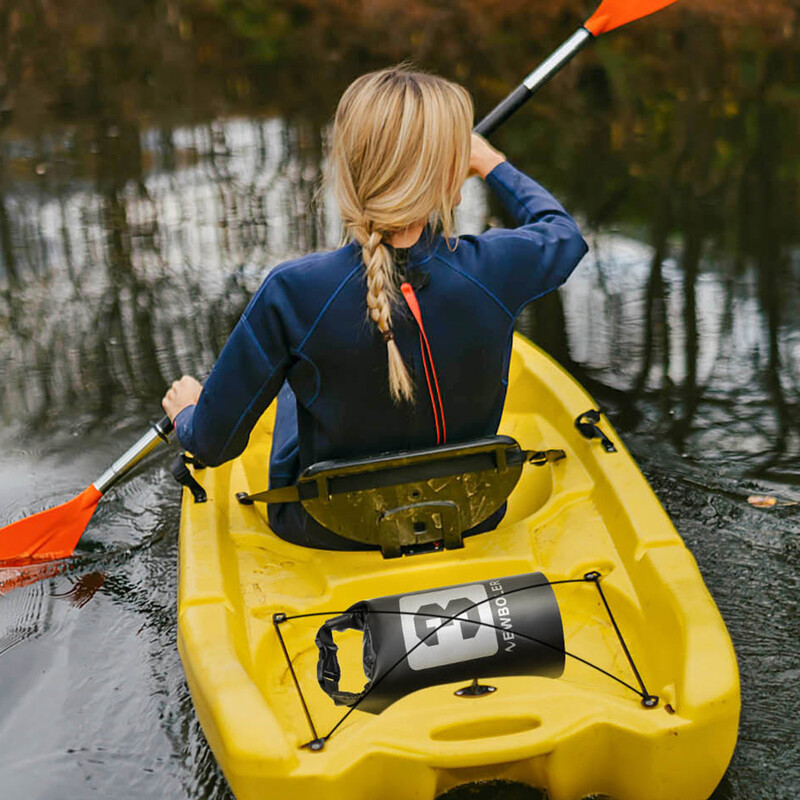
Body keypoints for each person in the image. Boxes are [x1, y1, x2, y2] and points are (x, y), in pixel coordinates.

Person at [162, 66, 588, 550]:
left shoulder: (292, 291)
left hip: (329, 530)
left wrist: (188, 414)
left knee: (290, 387)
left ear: (351, 168)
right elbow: (563, 233)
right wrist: (493, 163)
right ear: (449, 175)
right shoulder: (497, 266)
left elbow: (213, 445)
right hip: (473, 514)